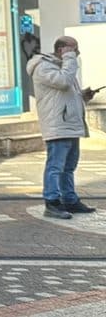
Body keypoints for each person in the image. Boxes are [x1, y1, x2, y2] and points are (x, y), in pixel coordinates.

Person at [28, 35, 96, 219]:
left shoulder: (63, 66)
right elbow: (64, 82)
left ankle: (70, 200)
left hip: (70, 124)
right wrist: (70, 58)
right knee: (55, 166)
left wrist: (82, 97)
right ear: (61, 50)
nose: (77, 53)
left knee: (69, 166)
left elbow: (64, 94)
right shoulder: (43, 67)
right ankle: (52, 202)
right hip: (57, 125)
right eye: (74, 49)